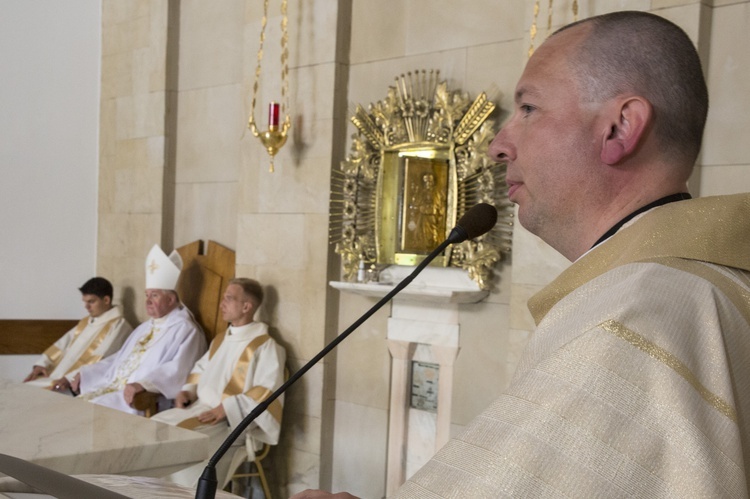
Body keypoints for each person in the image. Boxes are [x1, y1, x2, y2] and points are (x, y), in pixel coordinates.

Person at [293, 11, 750, 499]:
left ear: (619, 128)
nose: (497, 146)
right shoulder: (703, 286)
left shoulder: (640, 313)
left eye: (528, 108)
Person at [151, 278, 286, 489]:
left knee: (175, 443)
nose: (222, 303)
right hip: (199, 411)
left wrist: (227, 408)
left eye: (229, 299)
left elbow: (267, 391)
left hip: (232, 423)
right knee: (153, 428)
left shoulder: (266, 346)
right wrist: (187, 391)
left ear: (246, 307)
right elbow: (201, 368)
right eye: (223, 298)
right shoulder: (222, 339)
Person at [73, 244, 207, 415]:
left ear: (171, 299)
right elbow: (120, 359)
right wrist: (86, 373)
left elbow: (180, 369)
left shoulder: (186, 330)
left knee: (88, 411)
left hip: (141, 398)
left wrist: (144, 384)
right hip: (114, 389)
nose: (148, 300)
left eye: (155, 295)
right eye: (147, 295)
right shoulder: (145, 327)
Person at [24, 277, 132, 391]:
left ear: (106, 300)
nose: (86, 306)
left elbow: (101, 359)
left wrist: (69, 378)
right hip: (56, 376)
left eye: (91, 301)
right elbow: (61, 345)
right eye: (85, 302)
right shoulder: (86, 322)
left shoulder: (119, 326)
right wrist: (42, 364)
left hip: (76, 384)